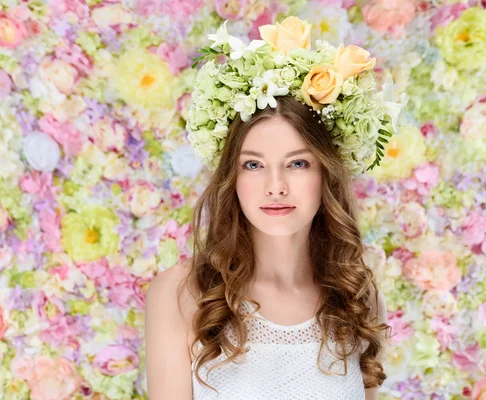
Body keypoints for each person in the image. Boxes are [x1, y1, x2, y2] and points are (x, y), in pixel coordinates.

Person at [146, 16, 404, 400]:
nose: (276, 187)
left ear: (325, 174)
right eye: (254, 164)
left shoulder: (357, 295)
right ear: (232, 176)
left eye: (297, 163)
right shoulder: (181, 294)